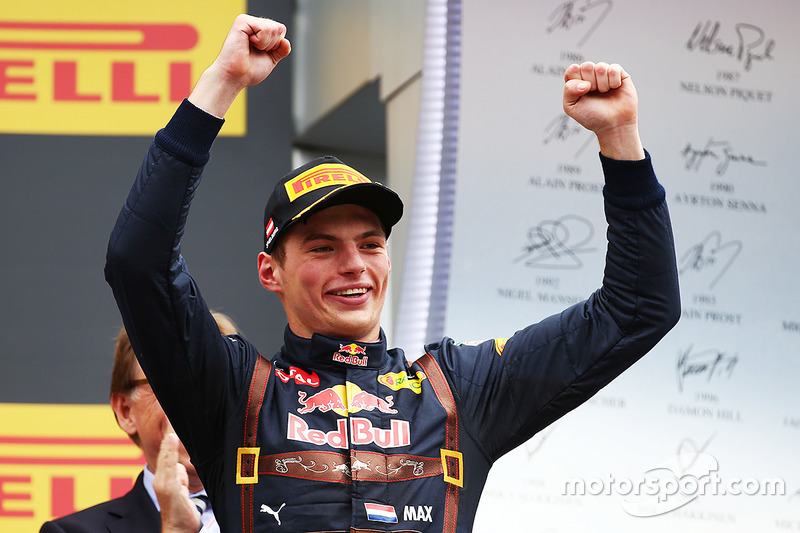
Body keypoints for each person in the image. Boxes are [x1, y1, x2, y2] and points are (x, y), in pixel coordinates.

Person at [104, 13, 680, 533]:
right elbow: (139, 262)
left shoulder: (459, 390)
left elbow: (639, 308)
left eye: (371, 244)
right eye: (323, 248)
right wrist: (221, 84)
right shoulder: (232, 393)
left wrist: (619, 139)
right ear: (270, 271)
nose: (353, 265)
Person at [39, 313, 237, 533]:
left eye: (215, 382)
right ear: (125, 411)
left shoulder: (278, 520)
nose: (198, 403)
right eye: (172, 383)